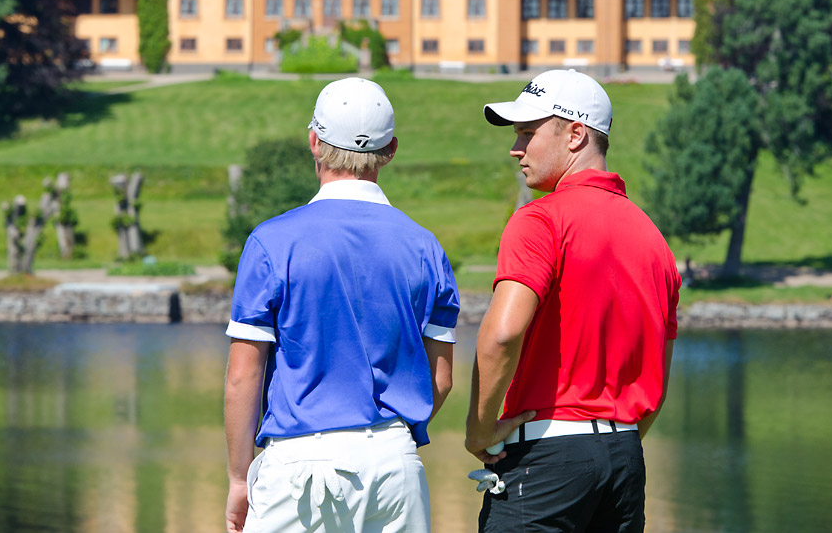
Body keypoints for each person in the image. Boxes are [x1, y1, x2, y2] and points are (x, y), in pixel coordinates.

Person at [224, 77, 460, 533]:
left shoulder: (272, 242)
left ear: (314, 142)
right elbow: (442, 379)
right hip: (396, 465)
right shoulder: (425, 247)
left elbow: (242, 376)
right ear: (390, 150)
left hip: (301, 464)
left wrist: (239, 478)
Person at [465, 69, 681, 533]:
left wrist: (479, 431)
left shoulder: (539, 220)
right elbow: (657, 382)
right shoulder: (654, 240)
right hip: (624, 460)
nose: (515, 148)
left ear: (576, 135)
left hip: (546, 459)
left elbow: (501, 336)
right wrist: (612, 444)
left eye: (528, 133)